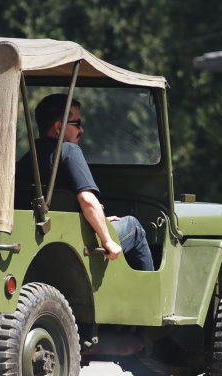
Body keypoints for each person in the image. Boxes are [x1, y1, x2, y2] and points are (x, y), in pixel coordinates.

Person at [17, 93, 154, 271]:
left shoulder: (29, 158)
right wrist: (107, 240)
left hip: (44, 241)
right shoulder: (69, 151)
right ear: (59, 127)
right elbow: (87, 200)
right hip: (78, 243)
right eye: (77, 124)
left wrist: (102, 221)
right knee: (134, 227)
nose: (81, 130)